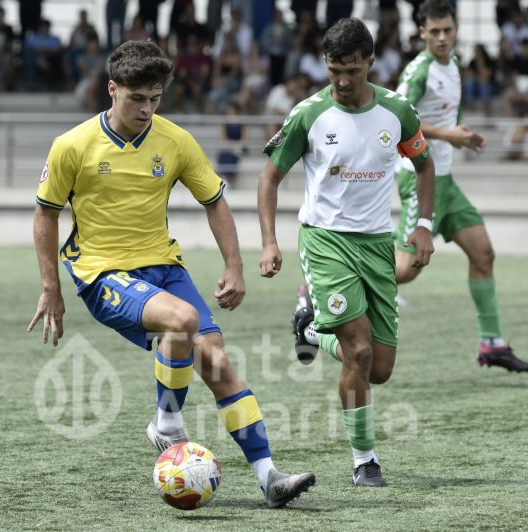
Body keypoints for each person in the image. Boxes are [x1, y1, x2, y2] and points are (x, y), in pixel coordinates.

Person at [27, 40, 315, 508]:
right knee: (180, 322)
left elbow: (215, 201)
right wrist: (50, 288)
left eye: (155, 98)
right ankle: (165, 423)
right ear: (112, 89)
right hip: (102, 273)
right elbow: (45, 214)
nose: (146, 109)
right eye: (136, 98)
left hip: (164, 267)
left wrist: (234, 265)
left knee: (215, 359)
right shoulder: (72, 146)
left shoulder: (175, 140)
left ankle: (269, 477)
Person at [258, 18, 435, 488]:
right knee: (358, 352)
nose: (341, 80)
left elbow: (424, 165)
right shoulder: (308, 114)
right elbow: (269, 179)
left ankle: (312, 328)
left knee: (380, 368)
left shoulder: (397, 111)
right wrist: (271, 242)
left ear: (371, 64)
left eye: (352, 70)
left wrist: (423, 225)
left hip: (378, 244)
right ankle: (365, 460)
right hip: (326, 241)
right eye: (334, 68)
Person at [393, 0, 528, 372]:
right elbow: (396, 120)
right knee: (405, 269)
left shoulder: (454, 65)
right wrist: (449, 135)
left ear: (456, 30)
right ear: (422, 32)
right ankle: (319, 291)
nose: (442, 38)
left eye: (448, 30)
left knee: (483, 253)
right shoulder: (418, 70)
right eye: (434, 31)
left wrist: (462, 134)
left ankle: (492, 345)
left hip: (446, 180)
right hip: (419, 176)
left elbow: (446, 116)